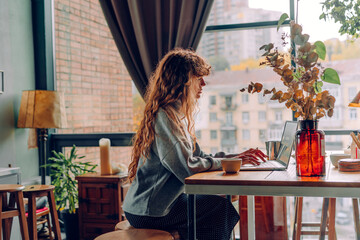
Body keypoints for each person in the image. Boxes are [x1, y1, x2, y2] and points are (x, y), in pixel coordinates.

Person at [122, 48, 266, 240]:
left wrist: (235, 158)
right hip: (150, 210)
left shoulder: (176, 117)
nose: (203, 84)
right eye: (198, 78)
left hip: (158, 205)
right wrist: (225, 163)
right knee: (221, 210)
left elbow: (201, 158)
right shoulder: (166, 116)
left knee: (219, 206)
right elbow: (187, 168)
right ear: (183, 81)